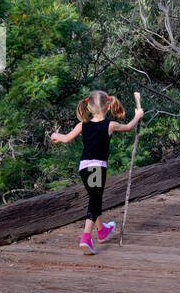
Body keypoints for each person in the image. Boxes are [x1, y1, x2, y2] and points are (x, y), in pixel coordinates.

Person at [50, 90, 143, 254]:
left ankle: (101, 231)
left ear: (89, 107)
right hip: (96, 168)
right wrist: (138, 115)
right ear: (108, 107)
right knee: (95, 200)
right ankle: (86, 237)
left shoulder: (82, 125)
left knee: (95, 198)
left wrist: (54, 135)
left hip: (84, 168)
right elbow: (128, 127)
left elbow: (65, 138)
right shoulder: (109, 125)